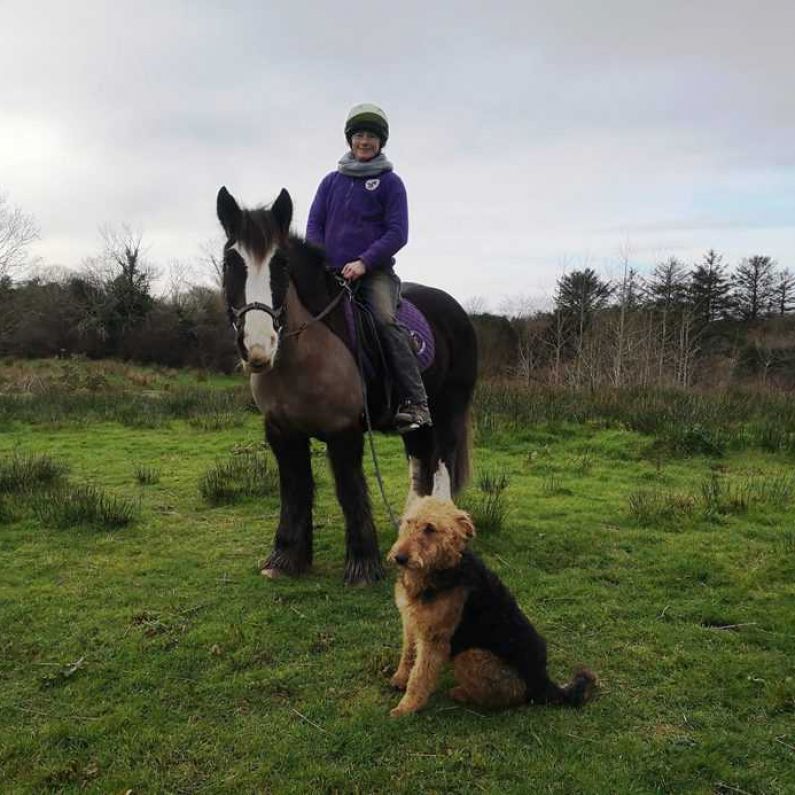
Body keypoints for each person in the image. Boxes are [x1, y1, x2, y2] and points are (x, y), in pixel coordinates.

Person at [306, 103, 432, 433]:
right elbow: (314, 225)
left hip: (375, 273)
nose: (365, 142)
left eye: (372, 137)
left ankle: (415, 402)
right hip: (331, 273)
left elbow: (397, 232)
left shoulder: (391, 183)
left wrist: (364, 261)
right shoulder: (330, 183)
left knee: (384, 321)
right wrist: (320, 260)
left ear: (381, 142)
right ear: (350, 140)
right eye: (360, 135)